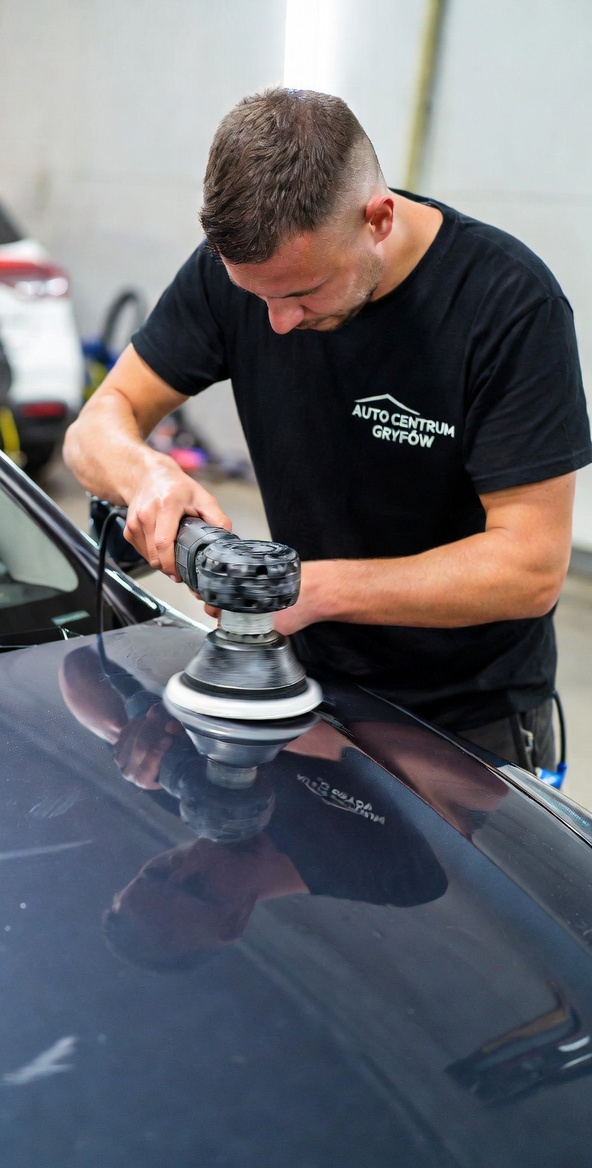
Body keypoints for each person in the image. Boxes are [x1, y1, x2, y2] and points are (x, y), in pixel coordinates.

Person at [63, 87, 592, 772]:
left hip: (467, 726)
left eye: (301, 294)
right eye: (258, 298)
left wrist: (312, 591)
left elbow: (530, 568)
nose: (277, 322)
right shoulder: (245, 278)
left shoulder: (508, 306)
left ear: (377, 220)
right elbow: (94, 429)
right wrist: (150, 476)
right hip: (302, 692)